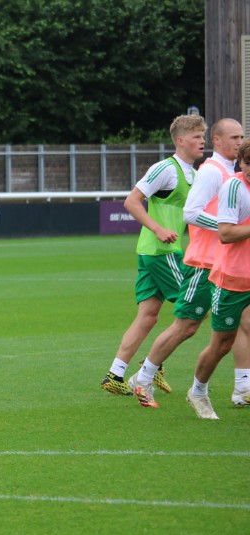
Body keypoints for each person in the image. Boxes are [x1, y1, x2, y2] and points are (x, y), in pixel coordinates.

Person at [126, 118, 245, 407]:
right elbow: (191, 213)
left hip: (226, 265)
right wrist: (224, 226)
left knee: (244, 323)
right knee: (187, 325)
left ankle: (243, 388)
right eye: (234, 137)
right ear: (218, 140)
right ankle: (142, 378)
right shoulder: (212, 172)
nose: (239, 143)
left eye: (242, 137)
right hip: (204, 263)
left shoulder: (235, 173)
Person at [100, 115, 206, 395]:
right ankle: (152, 367)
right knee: (193, 310)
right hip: (162, 251)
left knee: (148, 315)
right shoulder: (165, 169)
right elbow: (132, 201)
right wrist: (158, 229)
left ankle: (115, 374)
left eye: (203, 136)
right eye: (197, 137)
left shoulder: (194, 175)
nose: (202, 141)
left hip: (153, 251)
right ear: (181, 140)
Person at [181, 140, 250, 419]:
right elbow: (225, 233)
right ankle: (197, 391)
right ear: (241, 164)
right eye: (247, 165)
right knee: (222, 343)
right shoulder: (234, 187)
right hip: (232, 278)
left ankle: (243, 388)